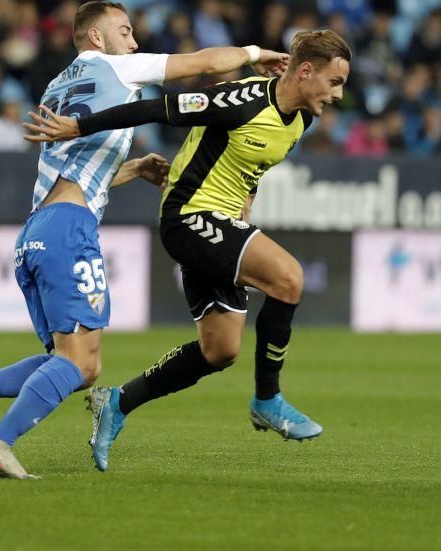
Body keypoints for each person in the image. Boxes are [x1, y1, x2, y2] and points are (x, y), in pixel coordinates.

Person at [0, 1, 289, 479]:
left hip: (37, 230)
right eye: (125, 32)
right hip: (68, 232)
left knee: (73, 363)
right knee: (81, 365)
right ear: (97, 39)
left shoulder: (57, 86)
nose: (134, 42)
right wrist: (253, 53)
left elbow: (74, 175)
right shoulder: (115, 66)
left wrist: (135, 168)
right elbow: (203, 63)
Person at [24, 29, 351, 471]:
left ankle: (118, 402)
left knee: (221, 350)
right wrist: (77, 126)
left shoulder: (299, 120)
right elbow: (156, 107)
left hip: (223, 221)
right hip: (188, 217)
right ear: (306, 71)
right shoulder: (239, 100)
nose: (338, 94)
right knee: (289, 277)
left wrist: (245, 201)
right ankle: (268, 399)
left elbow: (248, 162)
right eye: (334, 82)